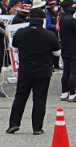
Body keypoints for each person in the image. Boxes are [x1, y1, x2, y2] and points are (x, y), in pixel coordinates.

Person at [6, 7, 61, 135]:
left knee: (20, 96)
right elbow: (57, 52)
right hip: (43, 69)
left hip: (25, 68)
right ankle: (37, 127)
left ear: (29, 18)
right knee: (40, 98)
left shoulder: (20, 33)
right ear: (43, 19)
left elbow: (14, 49)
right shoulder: (49, 34)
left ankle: (14, 124)